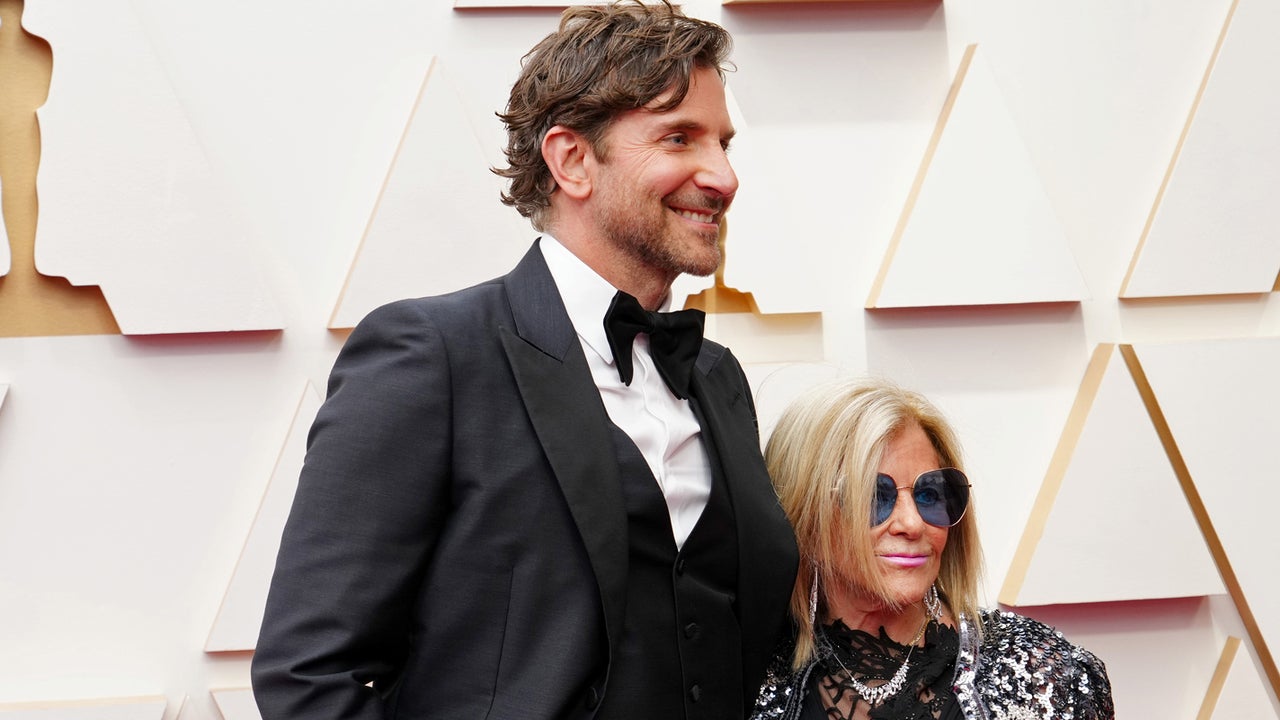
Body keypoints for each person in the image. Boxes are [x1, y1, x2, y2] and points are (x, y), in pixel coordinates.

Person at [250, 2, 799, 719]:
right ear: (572, 160)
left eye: (723, 143)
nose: (723, 176)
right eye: (679, 138)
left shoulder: (717, 378)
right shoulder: (432, 356)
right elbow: (310, 673)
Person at [751, 377, 1114, 720]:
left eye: (929, 494)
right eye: (874, 497)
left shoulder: (1043, 675)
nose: (912, 524)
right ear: (805, 517)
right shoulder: (746, 677)